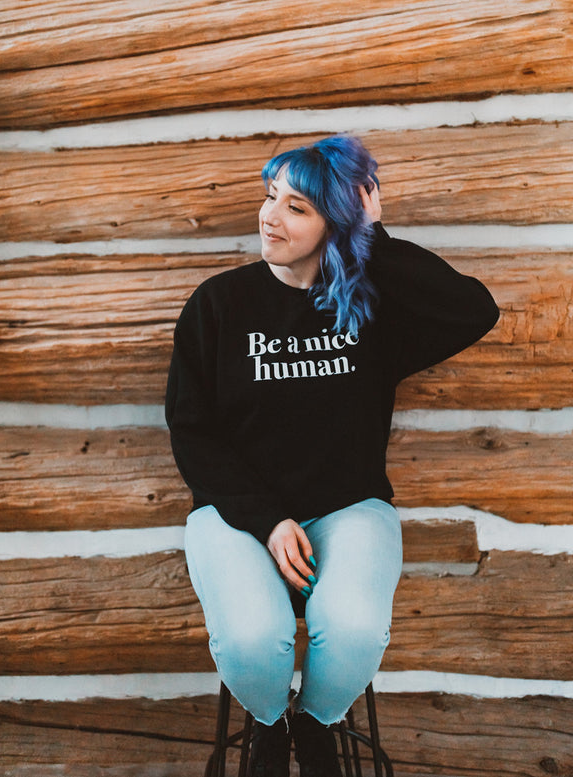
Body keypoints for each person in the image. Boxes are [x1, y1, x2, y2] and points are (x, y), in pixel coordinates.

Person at [165, 135, 499, 777]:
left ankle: (315, 723)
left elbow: (473, 310)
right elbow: (191, 430)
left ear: (333, 225)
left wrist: (376, 240)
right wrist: (265, 520)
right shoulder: (218, 305)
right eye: (270, 197)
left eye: (297, 207)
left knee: (350, 633)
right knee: (251, 642)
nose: (270, 216)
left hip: (349, 509)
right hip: (236, 515)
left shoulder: (369, 310)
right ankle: (270, 724)